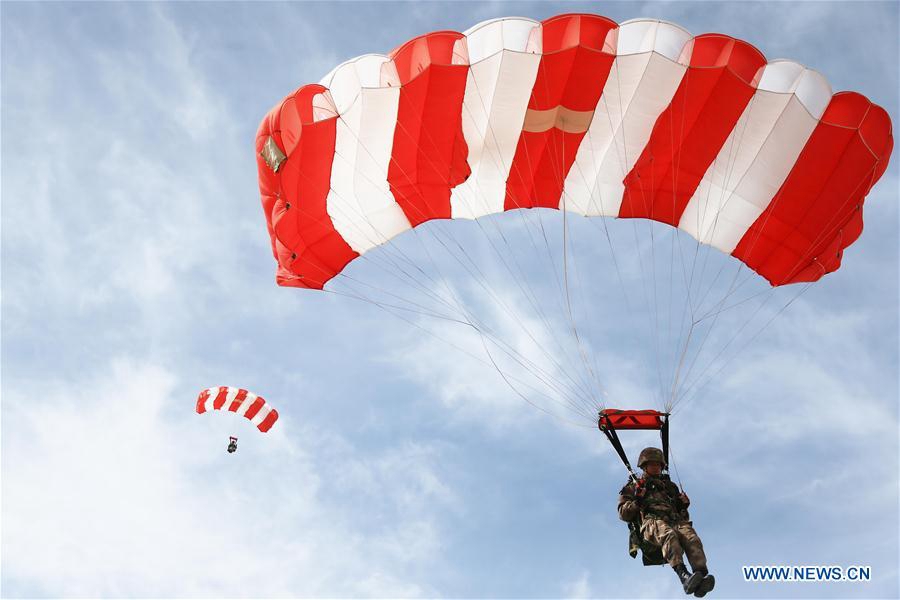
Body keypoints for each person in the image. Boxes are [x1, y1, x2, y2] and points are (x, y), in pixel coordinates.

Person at [618, 447, 715, 597]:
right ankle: (684, 577)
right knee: (668, 534)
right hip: (651, 523)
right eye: (652, 464)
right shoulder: (634, 487)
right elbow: (623, 514)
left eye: (659, 465)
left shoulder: (669, 487)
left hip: (675, 521)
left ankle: (701, 576)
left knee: (692, 538)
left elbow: (682, 514)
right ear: (644, 466)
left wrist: (683, 506)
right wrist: (638, 500)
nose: (656, 467)